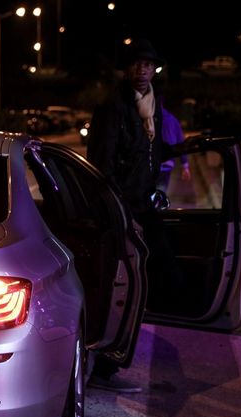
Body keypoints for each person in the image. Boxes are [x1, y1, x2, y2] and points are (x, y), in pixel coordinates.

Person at [86, 39, 183, 393]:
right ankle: (104, 366)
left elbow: (150, 151)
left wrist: (184, 151)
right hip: (122, 208)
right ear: (127, 68)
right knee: (125, 286)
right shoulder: (113, 106)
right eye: (137, 63)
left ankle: (124, 340)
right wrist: (122, 215)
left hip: (143, 202)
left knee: (165, 276)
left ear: (155, 70)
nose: (143, 69)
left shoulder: (152, 104)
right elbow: (102, 163)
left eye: (148, 64)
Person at [157, 99, 191, 193]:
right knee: (160, 191)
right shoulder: (172, 119)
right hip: (167, 162)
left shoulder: (146, 118)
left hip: (150, 163)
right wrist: (185, 165)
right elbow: (181, 142)